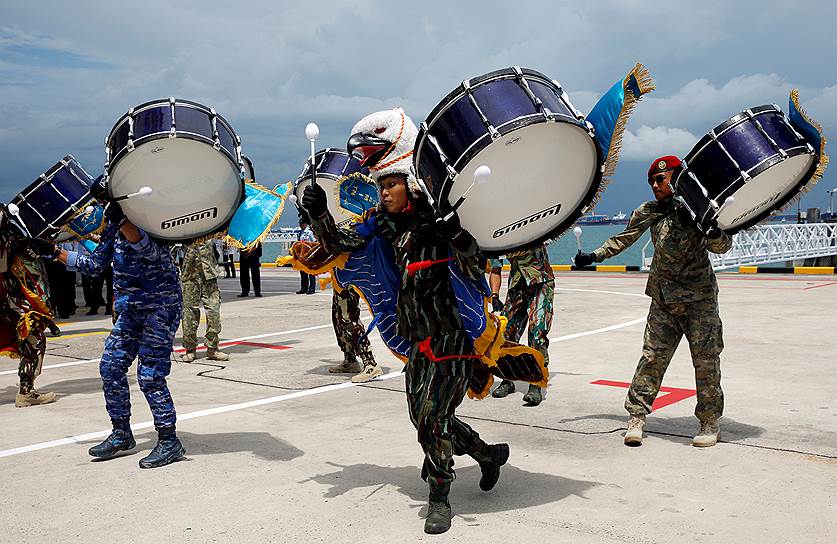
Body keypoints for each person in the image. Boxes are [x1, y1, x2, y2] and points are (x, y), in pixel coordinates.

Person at [303, 108, 509, 534]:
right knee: (426, 419)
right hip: (416, 339)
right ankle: (487, 455)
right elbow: (342, 243)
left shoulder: (438, 222)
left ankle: (440, 497)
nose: (384, 192)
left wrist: (453, 232)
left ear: (409, 184)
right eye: (380, 185)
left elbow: (475, 258)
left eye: (390, 183)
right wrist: (321, 214)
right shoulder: (385, 226)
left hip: (451, 337)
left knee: (432, 421)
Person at [575, 155, 732, 448]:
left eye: (661, 179)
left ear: (677, 178)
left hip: (699, 300)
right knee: (651, 359)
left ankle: (709, 421)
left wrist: (710, 229)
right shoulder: (649, 211)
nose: (655, 185)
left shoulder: (700, 208)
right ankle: (636, 417)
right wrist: (594, 256)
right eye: (651, 181)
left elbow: (722, 245)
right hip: (663, 300)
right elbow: (624, 238)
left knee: (706, 362)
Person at [55, 195, 186, 468]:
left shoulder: (157, 222)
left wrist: (123, 220)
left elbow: (151, 251)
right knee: (110, 368)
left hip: (160, 308)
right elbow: (94, 265)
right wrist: (52, 253)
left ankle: (169, 440)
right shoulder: (114, 227)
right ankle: (121, 433)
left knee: (149, 376)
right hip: (131, 310)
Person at [0, 205, 57, 407]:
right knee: (34, 334)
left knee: (33, 331)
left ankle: (26, 390)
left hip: (7, 289)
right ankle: (26, 391)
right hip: (4, 291)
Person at [488, 244, 555, 406]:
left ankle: (536, 383)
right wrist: (495, 295)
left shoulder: (533, 226)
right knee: (505, 333)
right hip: (517, 285)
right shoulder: (499, 237)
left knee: (537, 332)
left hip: (541, 281)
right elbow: (495, 269)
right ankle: (507, 379)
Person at [178, 240, 229, 362]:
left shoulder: (209, 225)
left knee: (213, 312)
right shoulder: (183, 229)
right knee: (189, 314)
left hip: (209, 273)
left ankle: (213, 348)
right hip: (190, 275)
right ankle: (190, 349)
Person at [329, 286, 381, 382]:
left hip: (349, 275)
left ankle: (370, 363)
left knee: (348, 317)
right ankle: (350, 359)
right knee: (337, 315)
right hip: (338, 275)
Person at [297, 219, 317, 294]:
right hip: (302, 255)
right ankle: (303, 288)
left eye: (302, 223)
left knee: (310, 272)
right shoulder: (299, 233)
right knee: (303, 273)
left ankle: (311, 289)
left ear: (306, 224)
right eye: (300, 223)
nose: (301, 225)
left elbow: (314, 243)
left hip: (309, 255)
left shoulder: (309, 233)